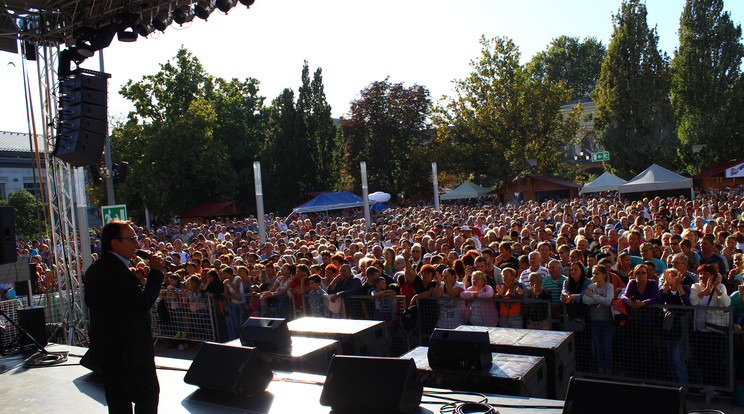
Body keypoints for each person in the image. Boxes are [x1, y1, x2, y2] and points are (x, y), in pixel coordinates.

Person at [83, 220, 165, 414]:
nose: (136, 244)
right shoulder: (116, 272)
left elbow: (92, 303)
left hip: (108, 354)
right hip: (131, 354)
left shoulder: (94, 270)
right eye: (132, 239)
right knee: (147, 396)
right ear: (115, 243)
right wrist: (156, 274)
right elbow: (142, 303)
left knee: (118, 402)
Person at [582, 265, 614, 375]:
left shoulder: (609, 286)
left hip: (607, 321)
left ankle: (609, 369)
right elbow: (586, 300)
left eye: (597, 273)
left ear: (604, 275)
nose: (594, 276)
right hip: (595, 321)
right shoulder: (591, 286)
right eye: (593, 273)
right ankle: (600, 369)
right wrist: (599, 299)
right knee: (597, 346)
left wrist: (594, 297)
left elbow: (608, 301)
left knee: (606, 346)